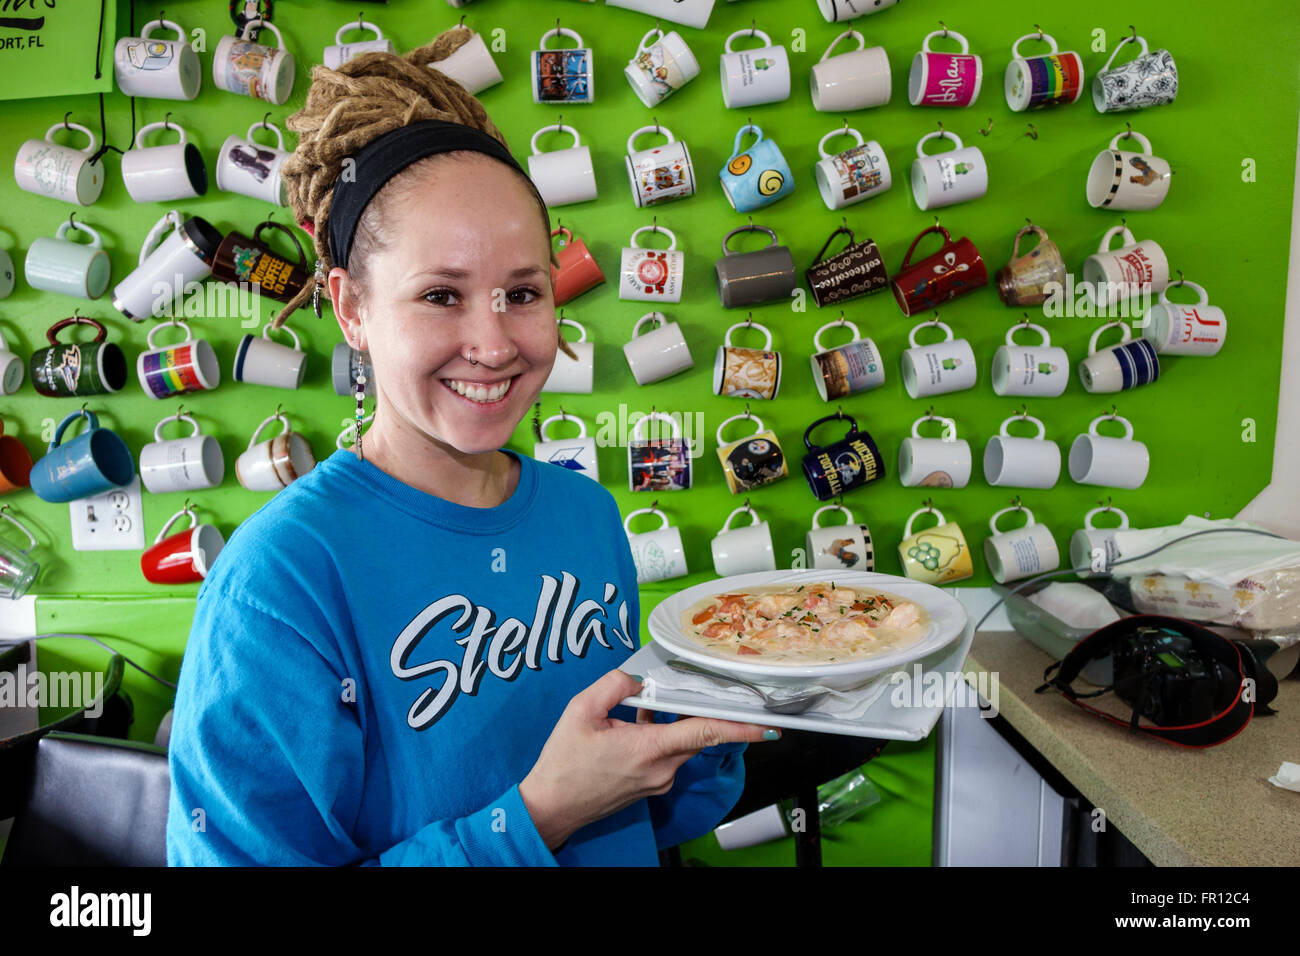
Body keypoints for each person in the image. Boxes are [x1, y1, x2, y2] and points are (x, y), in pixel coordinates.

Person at [165, 35, 776, 867]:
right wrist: (539, 816)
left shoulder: (587, 513)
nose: (493, 346)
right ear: (351, 309)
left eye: (522, 292)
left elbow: (646, 815)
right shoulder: (278, 583)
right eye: (440, 296)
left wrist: (720, 720)